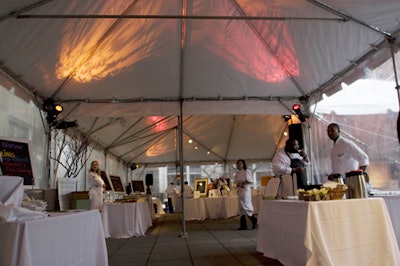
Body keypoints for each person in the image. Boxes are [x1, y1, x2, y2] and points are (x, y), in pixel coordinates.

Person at [233, 159, 257, 230]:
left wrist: (242, 183)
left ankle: (254, 220)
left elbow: (250, 181)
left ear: (243, 164)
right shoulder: (237, 173)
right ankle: (243, 225)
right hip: (240, 191)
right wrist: (237, 184)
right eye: (237, 164)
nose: (238, 165)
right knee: (241, 208)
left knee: (246, 207)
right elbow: (235, 182)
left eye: (240, 163)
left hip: (246, 191)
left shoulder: (247, 171)